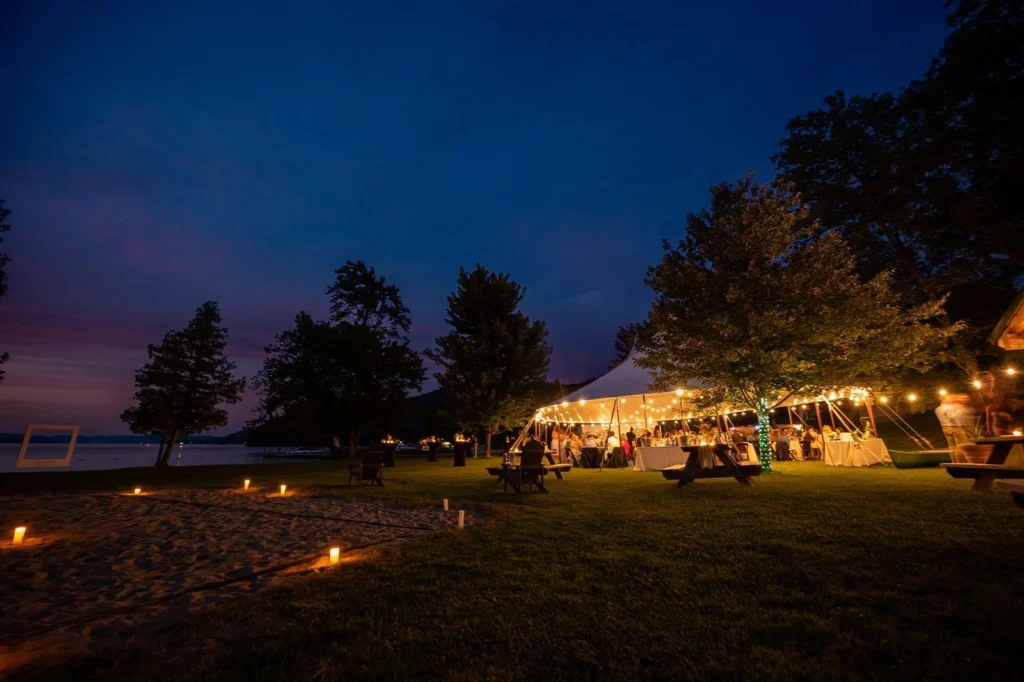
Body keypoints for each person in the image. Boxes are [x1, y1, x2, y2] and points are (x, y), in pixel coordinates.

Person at [935, 393, 975, 462]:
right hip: (952, 426)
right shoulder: (948, 407)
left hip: (944, 427)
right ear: (943, 399)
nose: (950, 400)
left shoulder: (937, 409)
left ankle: (954, 461)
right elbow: (952, 417)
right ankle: (961, 461)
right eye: (948, 398)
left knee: (952, 447)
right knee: (960, 445)